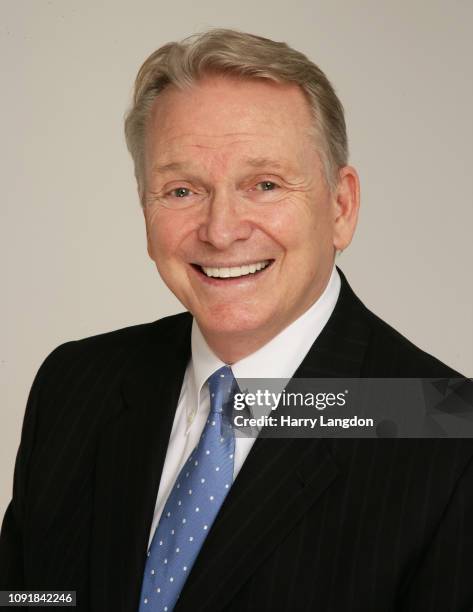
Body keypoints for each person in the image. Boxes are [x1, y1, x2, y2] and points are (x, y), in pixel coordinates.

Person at [1, 28, 472, 612]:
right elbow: (30, 597)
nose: (221, 230)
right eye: (181, 191)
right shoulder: (75, 383)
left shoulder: (448, 430)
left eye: (265, 184)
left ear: (341, 207)